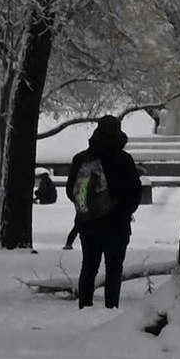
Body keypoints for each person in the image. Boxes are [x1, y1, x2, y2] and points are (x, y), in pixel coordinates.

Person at [65, 119, 149, 309]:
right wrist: (123, 211)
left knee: (88, 266)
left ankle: (84, 305)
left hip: (87, 223)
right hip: (116, 224)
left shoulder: (82, 159)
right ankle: (111, 306)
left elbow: (72, 191)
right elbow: (134, 192)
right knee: (113, 268)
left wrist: (88, 208)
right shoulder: (124, 159)